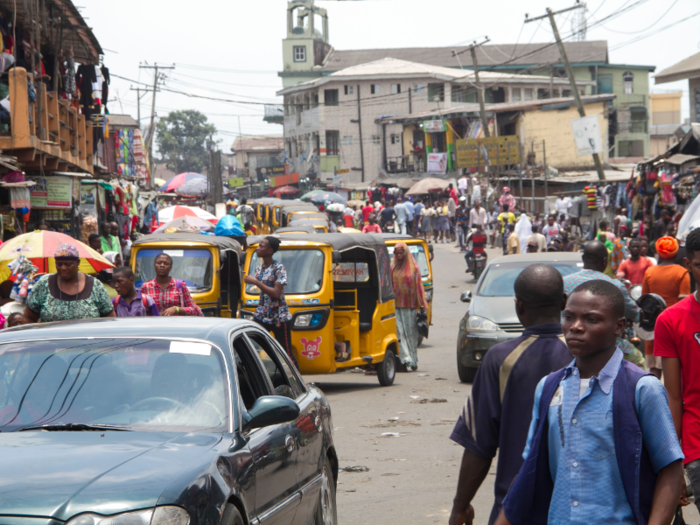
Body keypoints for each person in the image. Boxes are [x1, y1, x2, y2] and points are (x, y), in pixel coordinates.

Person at [494, 280, 684, 525]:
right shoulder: (549, 387)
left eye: (591, 320)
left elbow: (670, 467)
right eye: (569, 317)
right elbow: (529, 467)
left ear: (619, 326)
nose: (575, 327)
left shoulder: (641, 388)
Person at [449, 264, 571, 525]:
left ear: (519, 307)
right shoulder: (586, 356)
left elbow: (479, 445)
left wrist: (460, 506)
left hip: (515, 508)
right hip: (579, 508)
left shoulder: (500, 359)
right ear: (563, 301)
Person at [656, 228, 700, 514]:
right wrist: (673, 462)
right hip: (697, 446)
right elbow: (674, 397)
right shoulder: (670, 320)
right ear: (688, 265)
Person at [563, 240, 644, 368]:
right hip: (603, 347)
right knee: (637, 358)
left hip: (567, 343)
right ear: (605, 261)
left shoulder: (563, 282)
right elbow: (635, 314)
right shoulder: (616, 285)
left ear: (584, 258)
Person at [24, 244, 116, 323]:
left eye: (68, 264)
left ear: (78, 262)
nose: (63, 268)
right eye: (59, 264)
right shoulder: (43, 284)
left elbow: (110, 319)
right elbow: (29, 318)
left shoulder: (95, 286)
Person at [642, 236, 690, 380]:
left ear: (658, 253)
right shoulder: (682, 272)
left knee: (654, 367)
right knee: (676, 367)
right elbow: (684, 301)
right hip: (675, 323)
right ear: (675, 253)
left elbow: (645, 299)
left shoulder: (649, 272)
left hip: (654, 324)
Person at [243, 236, 295, 364]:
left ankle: (296, 381)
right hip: (262, 315)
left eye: (261, 246)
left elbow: (276, 294)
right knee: (250, 345)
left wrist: (255, 282)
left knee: (286, 354)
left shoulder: (279, 268)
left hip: (279, 317)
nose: (258, 248)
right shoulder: (259, 268)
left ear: (270, 250)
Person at [391, 242, 427, 372]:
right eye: (397, 253)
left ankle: (413, 359)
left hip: (410, 305)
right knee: (399, 332)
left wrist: (422, 303)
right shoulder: (392, 266)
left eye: (401, 253)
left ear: (405, 253)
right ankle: (405, 359)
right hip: (395, 305)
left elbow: (419, 286)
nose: (399, 256)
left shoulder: (414, 267)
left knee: (410, 333)